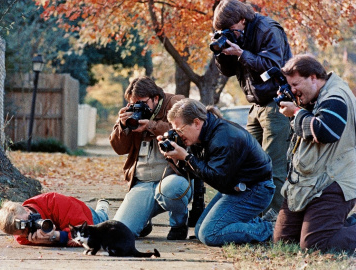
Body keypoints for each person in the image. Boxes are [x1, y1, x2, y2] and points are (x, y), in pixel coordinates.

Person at [212, 0, 292, 221]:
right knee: (248, 162)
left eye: (231, 29)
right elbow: (227, 72)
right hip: (256, 105)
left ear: (242, 20)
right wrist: (221, 52)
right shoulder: (238, 34)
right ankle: (251, 213)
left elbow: (273, 63)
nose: (229, 33)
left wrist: (241, 53)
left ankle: (274, 219)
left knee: (273, 165)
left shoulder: (268, 29)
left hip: (276, 104)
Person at [159, 98, 275, 246]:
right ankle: (250, 220)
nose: (179, 135)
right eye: (175, 131)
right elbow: (197, 173)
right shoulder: (200, 136)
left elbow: (217, 179)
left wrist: (187, 157)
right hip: (234, 188)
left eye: (180, 130)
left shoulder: (224, 137)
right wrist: (176, 157)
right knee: (201, 229)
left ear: (196, 122)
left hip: (255, 190)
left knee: (210, 234)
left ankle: (269, 229)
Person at [273, 54, 356, 251]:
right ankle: (337, 225)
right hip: (308, 180)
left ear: (313, 77)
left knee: (316, 245)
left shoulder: (335, 96)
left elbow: (325, 131)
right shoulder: (317, 96)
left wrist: (295, 112)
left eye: (295, 84)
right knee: (283, 243)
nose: (293, 91)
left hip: (334, 179)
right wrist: (299, 106)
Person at [109, 76, 191, 240]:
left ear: (156, 98)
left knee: (171, 188)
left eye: (143, 103)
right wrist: (122, 126)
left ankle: (179, 224)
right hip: (143, 183)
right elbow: (119, 149)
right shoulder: (133, 114)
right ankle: (143, 219)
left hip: (171, 179)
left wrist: (151, 126)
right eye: (134, 103)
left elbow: (185, 130)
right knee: (120, 233)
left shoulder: (175, 103)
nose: (138, 107)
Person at [0, 192, 109, 246]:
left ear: (27, 210)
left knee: (103, 220)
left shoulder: (54, 202)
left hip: (85, 216)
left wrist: (56, 236)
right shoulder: (20, 234)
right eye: (23, 232)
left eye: (28, 223)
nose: (27, 229)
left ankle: (102, 208)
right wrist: (45, 241)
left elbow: (86, 235)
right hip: (68, 222)